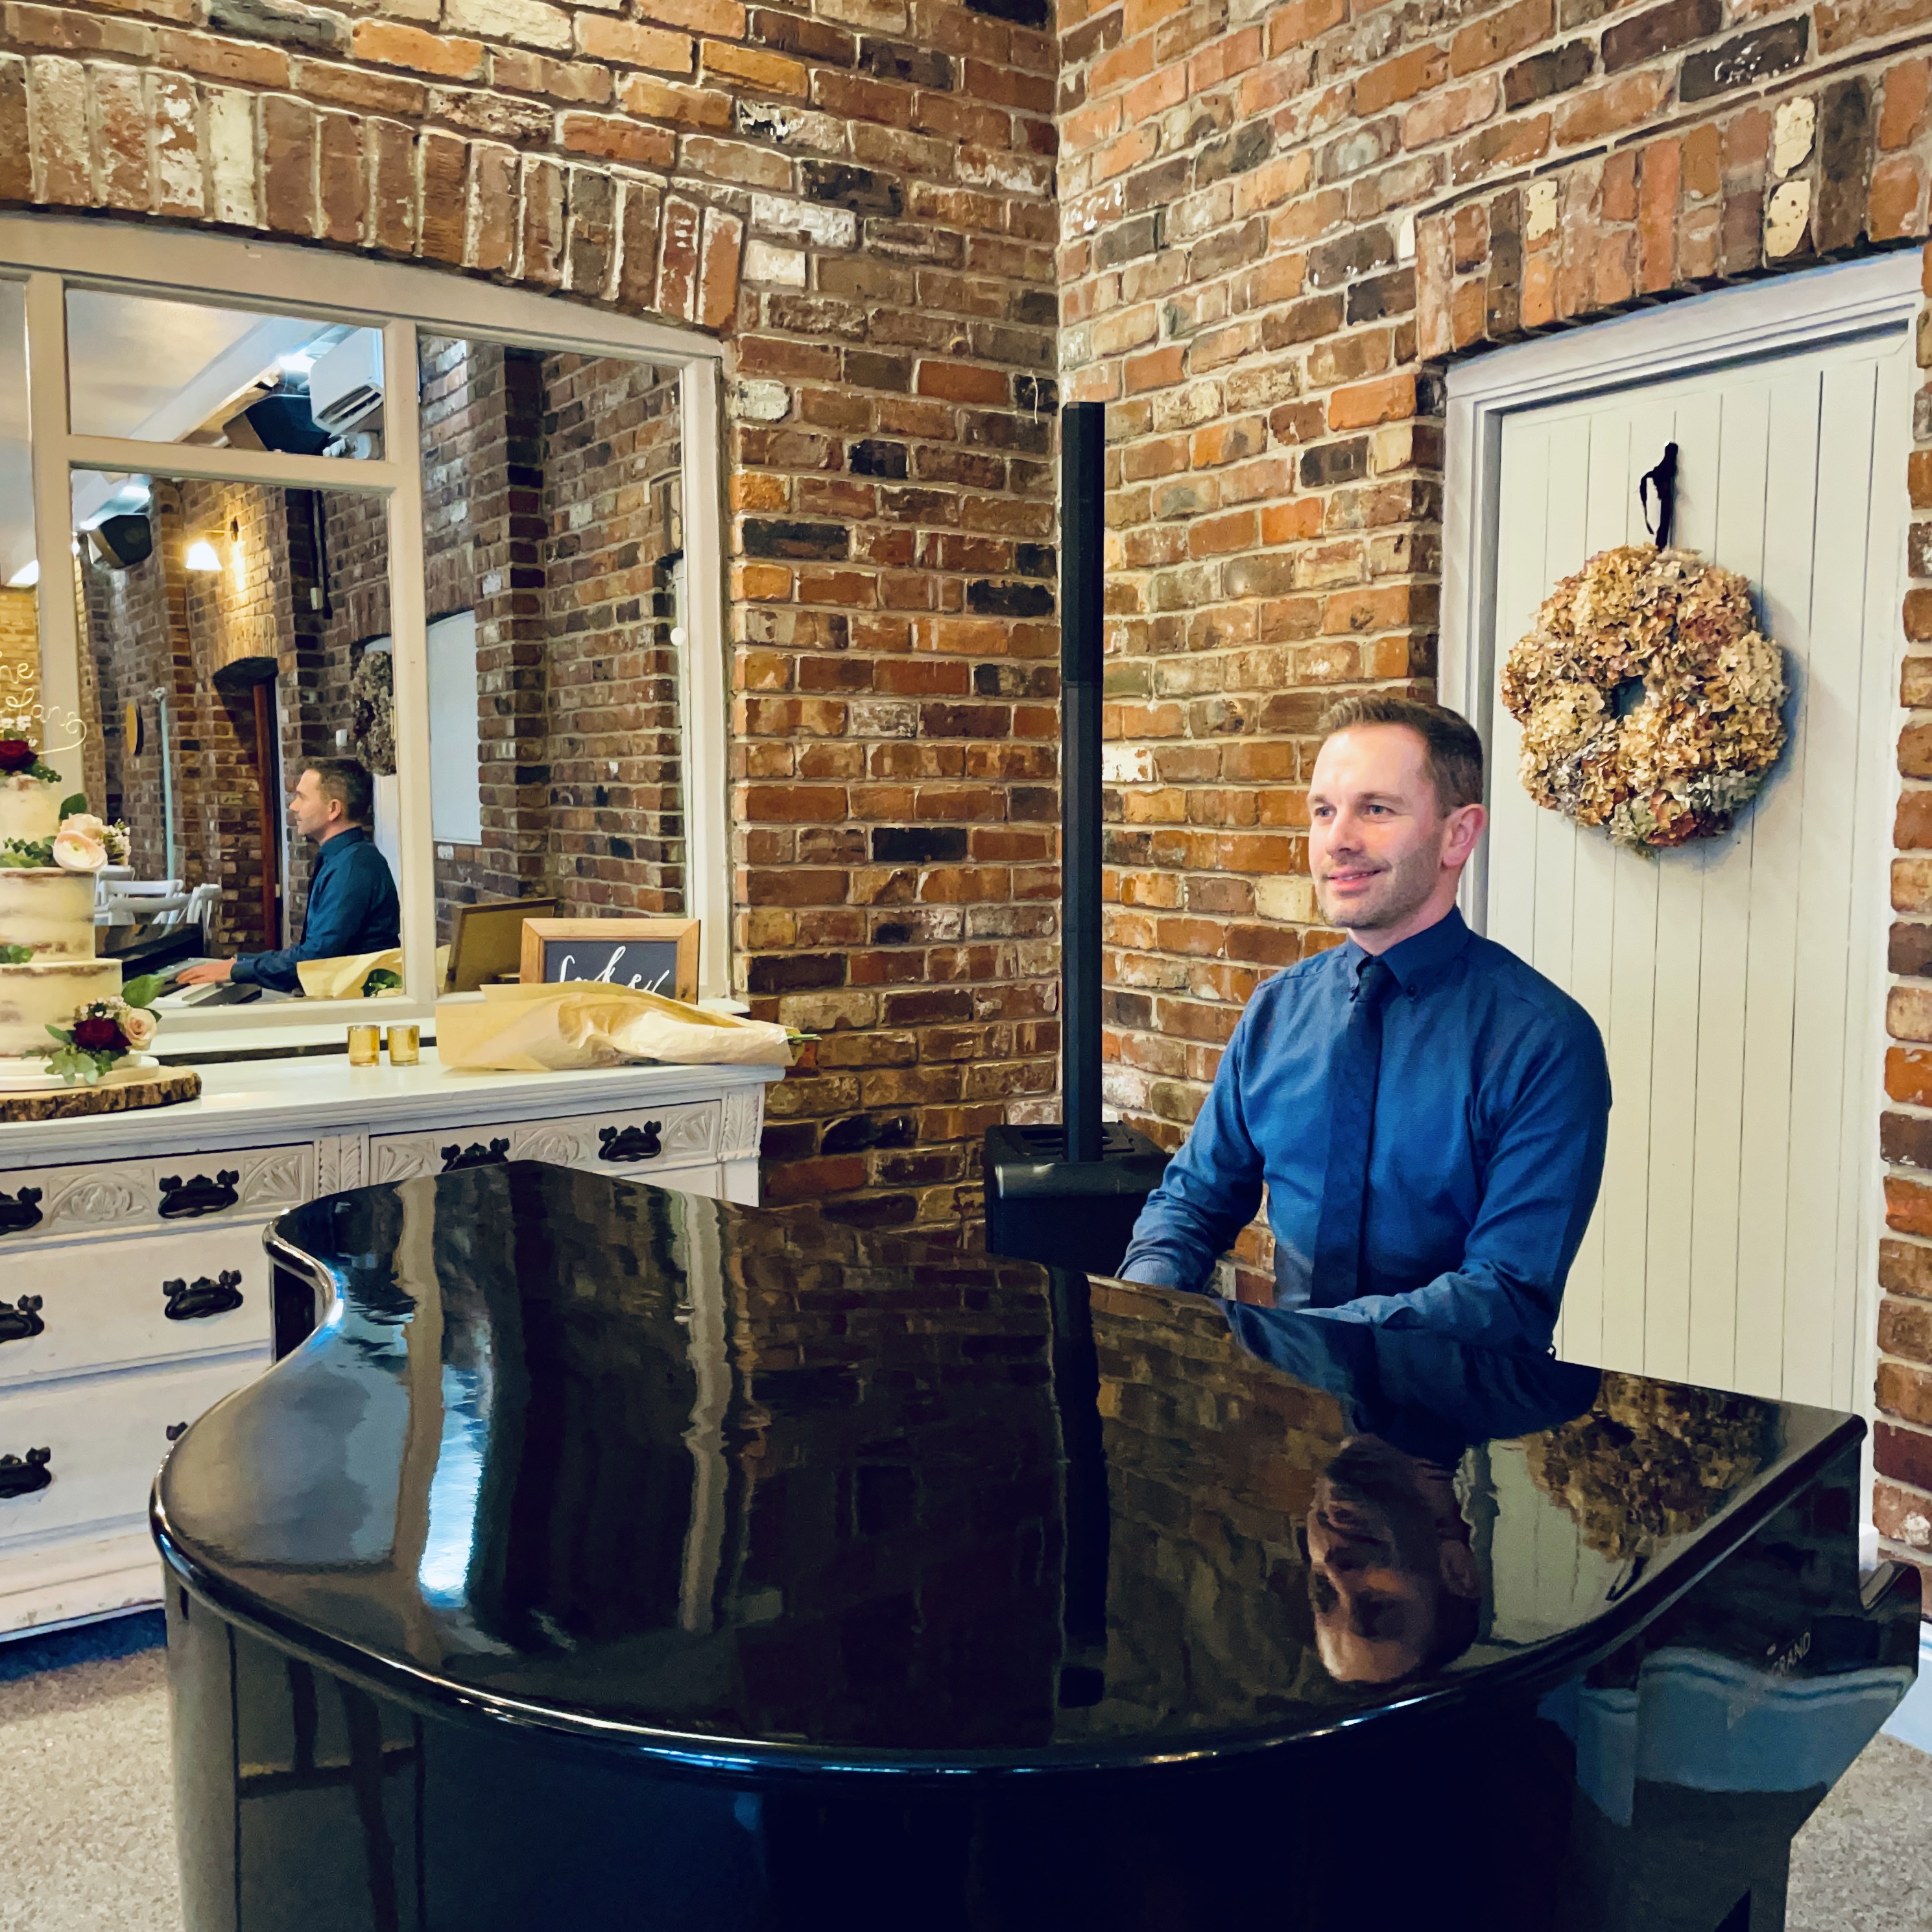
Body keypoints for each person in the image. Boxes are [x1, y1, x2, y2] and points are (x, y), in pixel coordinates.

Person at [1117, 694, 1611, 1351]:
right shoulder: (1278, 1011)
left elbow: (1506, 1293)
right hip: (1286, 1419)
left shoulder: (1543, 1041)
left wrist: (1288, 1341)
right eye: (1324, 811)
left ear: (1458, 834)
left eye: (1376, 810)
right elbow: (1191, 1205)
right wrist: (1140, 1308)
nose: (1338, 839)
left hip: (1458, 1423)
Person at [177, 759, 400, 996]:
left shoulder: (353, 866)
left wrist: (238, 969)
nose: (294, 806)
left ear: (333, 809)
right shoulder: (346, 858)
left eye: (302, 797)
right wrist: (239, 962)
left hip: (358, 1008)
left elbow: (316, 959)